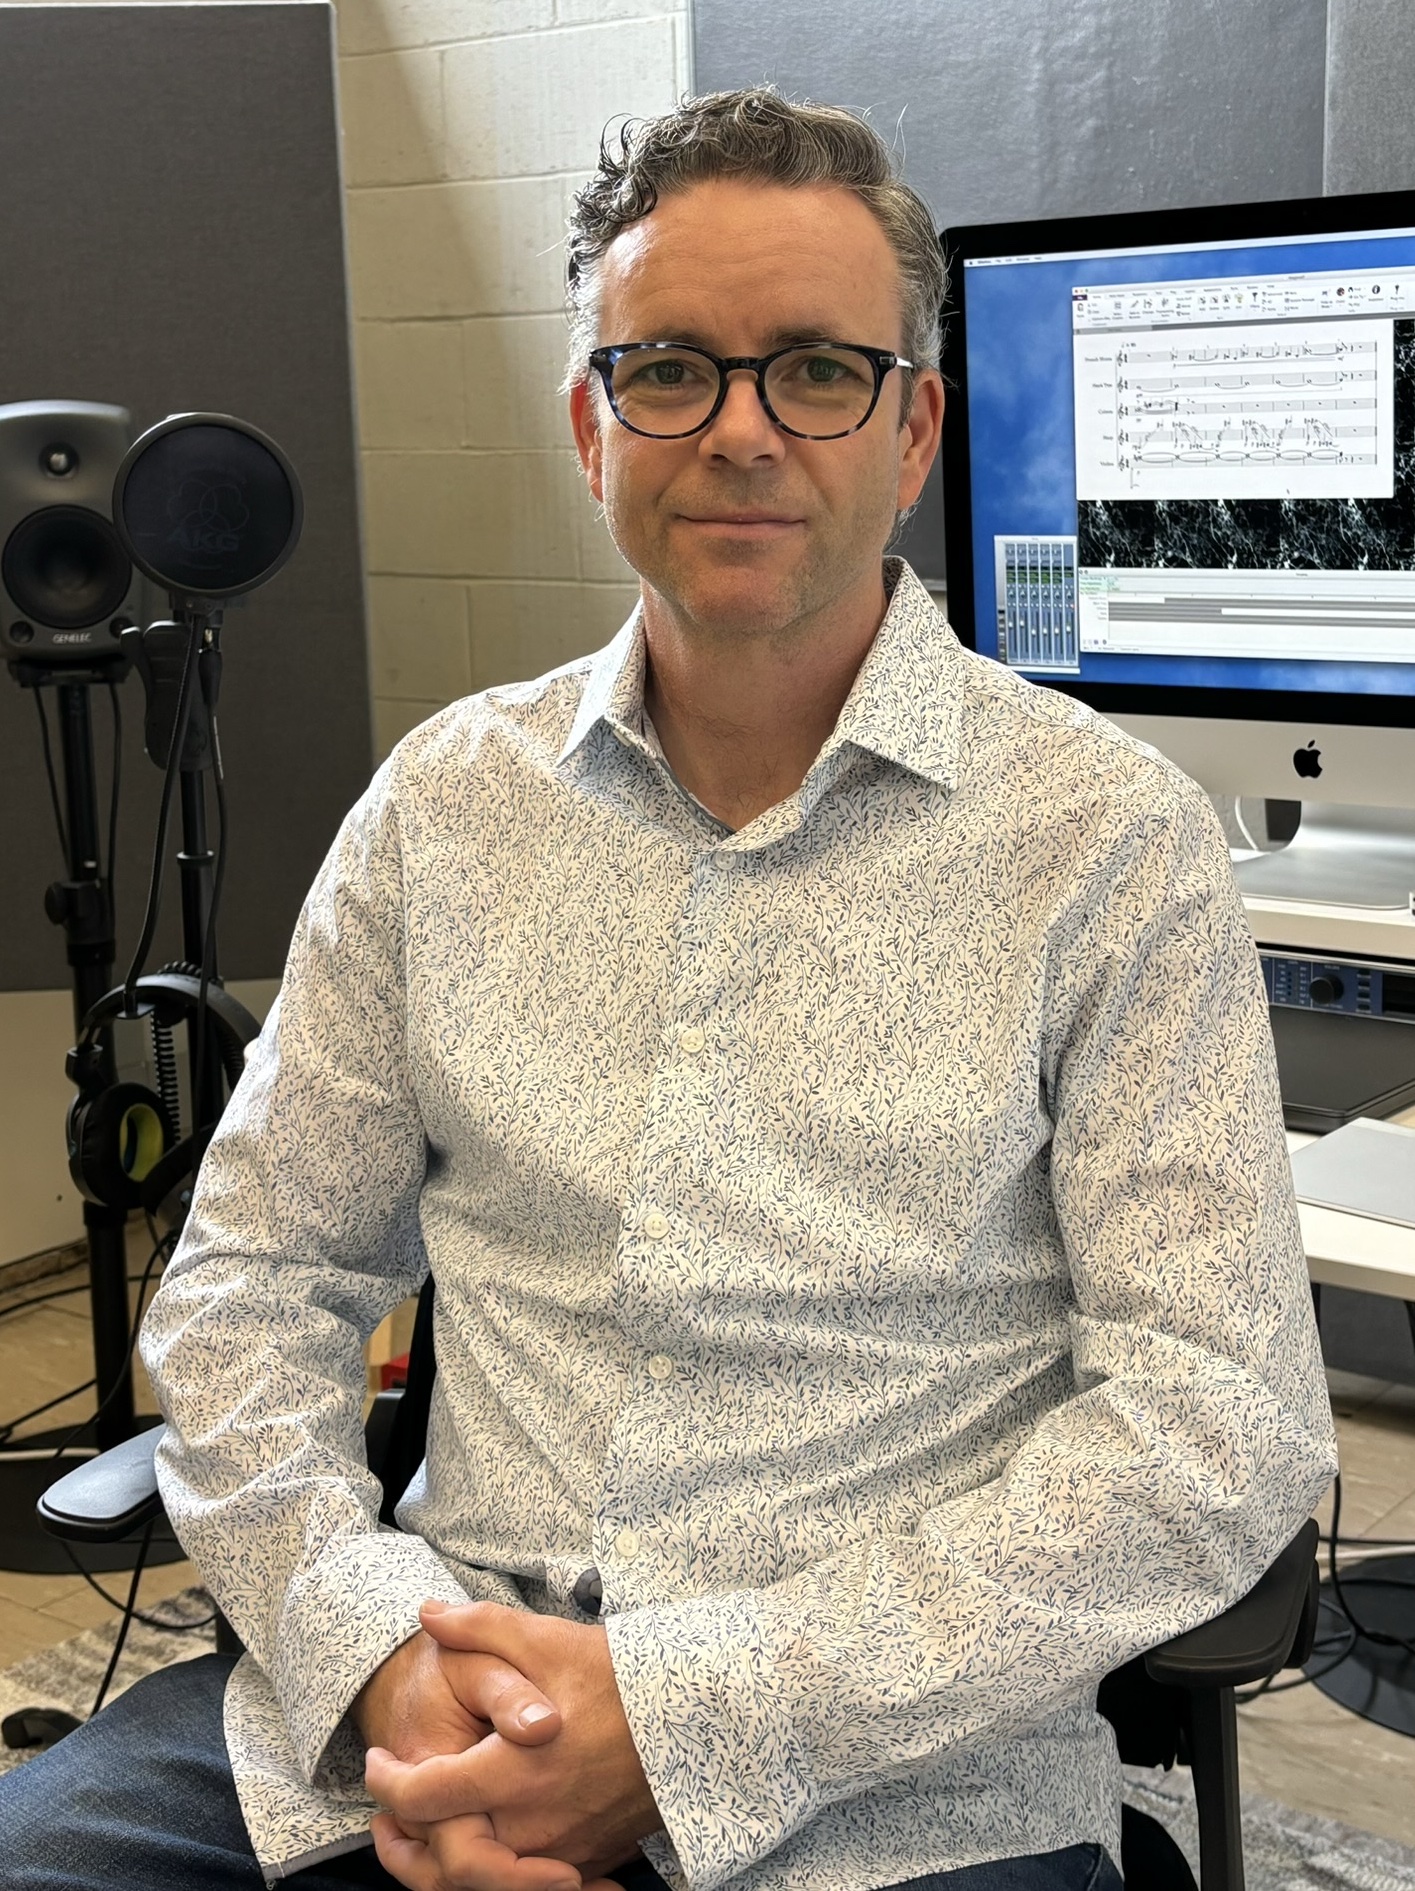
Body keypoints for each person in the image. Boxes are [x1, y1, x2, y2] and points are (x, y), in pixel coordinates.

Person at [0, 86, 1336, 1891]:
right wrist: (377, 1648)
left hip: (886, 1787)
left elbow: (1215, 1422)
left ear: (916, 423)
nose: (741, 432)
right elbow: (256, 1278)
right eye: (671, 371)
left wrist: (696, 1719)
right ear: (589, 423)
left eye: (816, 369)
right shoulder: (443, 810)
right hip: (409, 1713)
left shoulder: (1111, 846)